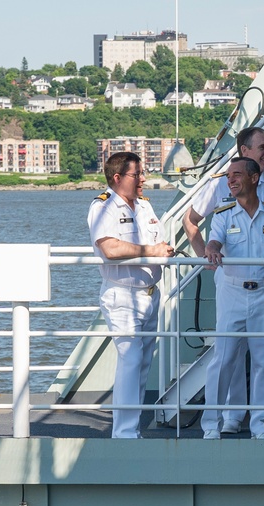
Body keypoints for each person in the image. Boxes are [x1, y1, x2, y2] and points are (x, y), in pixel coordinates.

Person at [182, 126, 264, 435]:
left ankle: (260, 424)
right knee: (228, 355)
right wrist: (208, 257)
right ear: (244, 151)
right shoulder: (222, 190)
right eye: (262, 147)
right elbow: (192, 221)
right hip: (231, 282)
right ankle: (228, 417)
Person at [87, 152, 175, 439]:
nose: (143, 179)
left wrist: (161, 250)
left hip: (150, 294)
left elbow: (156, 241)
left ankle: (132, 428)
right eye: (137, 174)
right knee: (130, 359)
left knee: (143, 361)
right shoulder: (104, 208)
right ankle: (123, 433)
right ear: (117, 178)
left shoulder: (145, 208)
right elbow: (110, 249)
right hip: (123, 294)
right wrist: (151, 252)